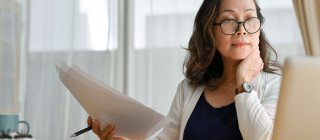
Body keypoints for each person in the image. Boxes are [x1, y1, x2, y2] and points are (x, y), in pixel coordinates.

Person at [87, 0, 283, 139]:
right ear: (210, 31)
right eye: (229, 20)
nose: (242, 29)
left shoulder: (277, 87)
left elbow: (263, 138)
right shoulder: (187, 90)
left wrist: (244, 82)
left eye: (250, 19)